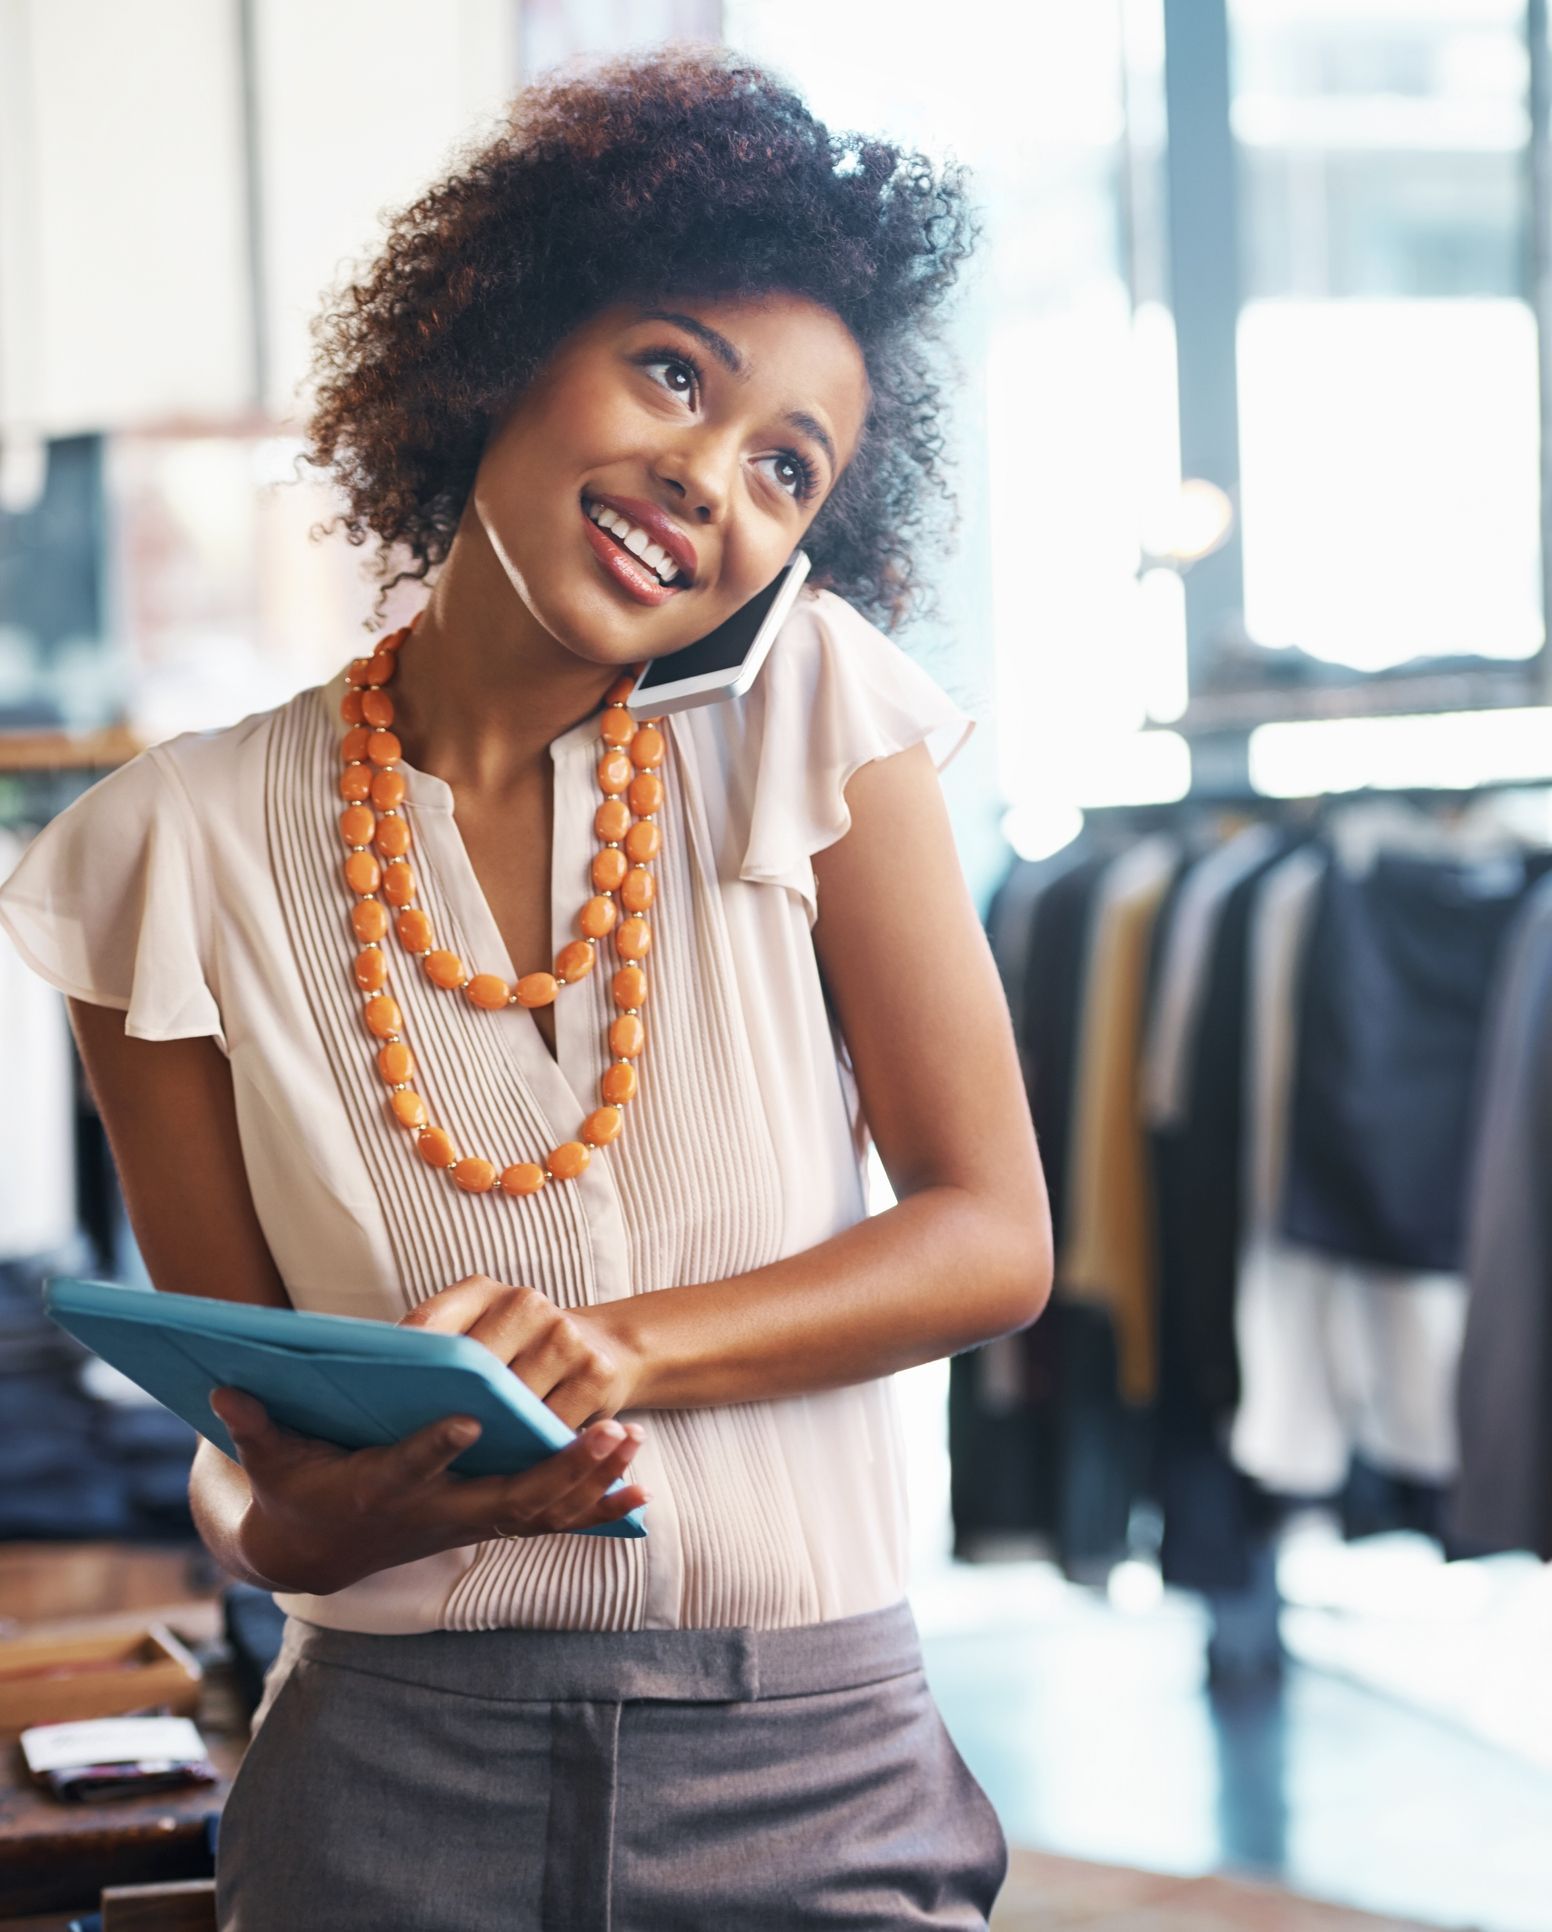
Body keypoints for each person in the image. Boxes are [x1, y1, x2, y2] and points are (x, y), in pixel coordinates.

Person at [0, 43, 1052, 1930]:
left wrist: (617, 1348)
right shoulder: (164, 851)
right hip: (387, 1775)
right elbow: (255, 1458)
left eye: (784, 468)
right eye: (675, 373)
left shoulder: (812, 721)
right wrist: (304, 1518)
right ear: (504, 339)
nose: (707, 479)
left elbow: (994, 1240)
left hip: (811, 1762)